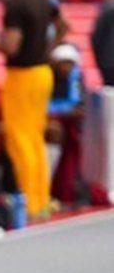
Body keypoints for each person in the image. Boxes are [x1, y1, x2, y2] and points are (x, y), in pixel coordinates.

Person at [0, 0, 68, 219]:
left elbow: (12, 46)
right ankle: (42, 199)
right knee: (35, 138)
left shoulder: (15, 5)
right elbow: (64, 25)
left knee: (19, 139)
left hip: (22, 75)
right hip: (43, 72)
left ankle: (30, 204)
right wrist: (48, 48)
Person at [46, 43, 87, 206]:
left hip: (70, 124)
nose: (67, 68)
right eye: (64, 63)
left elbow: (79, 105)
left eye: (71, 64)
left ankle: (69, 189)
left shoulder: (76, 78)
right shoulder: (45, 77)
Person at [91, 0, 114, 86]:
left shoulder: (106, 8)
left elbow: (96, 37)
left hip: (108, 62)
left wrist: (100, 59)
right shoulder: (107, 8)